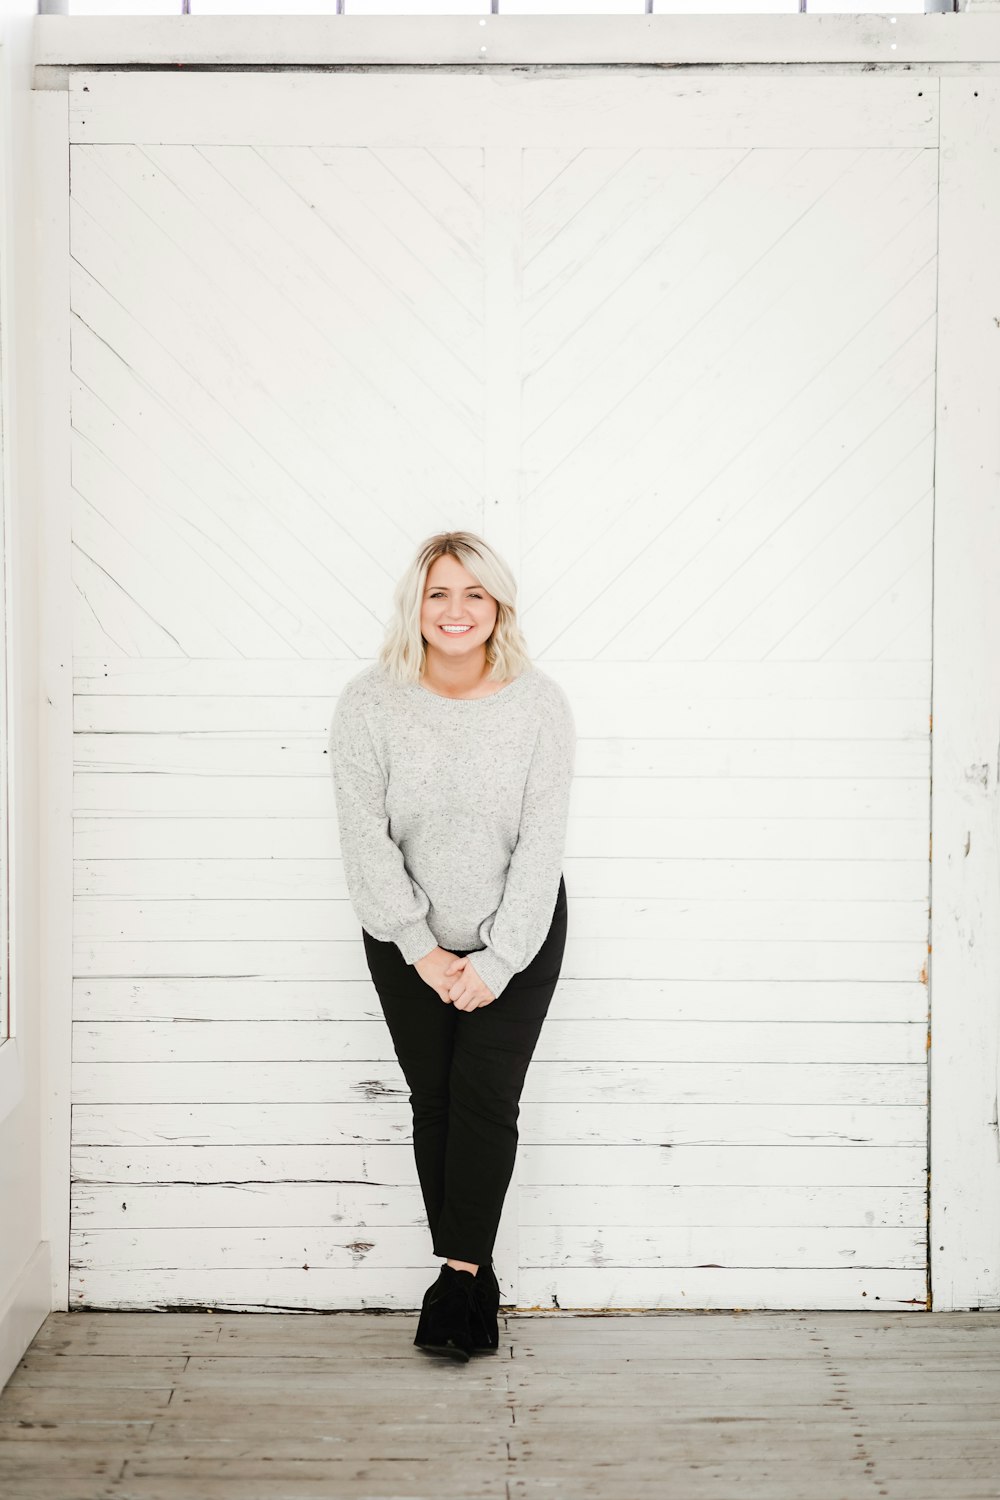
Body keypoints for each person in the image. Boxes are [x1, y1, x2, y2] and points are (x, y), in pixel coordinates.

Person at [327, 530, 575, 1362]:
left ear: (498, 604)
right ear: (416, 605)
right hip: (405, 937)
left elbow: (544, 842)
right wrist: (420, 948)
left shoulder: (539, 704)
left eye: (474, 593)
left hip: (522, 932)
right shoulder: (369, 702)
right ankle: (477, 1284)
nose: (456, 610)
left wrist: (501, 959)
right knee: (434, 1102)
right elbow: (364, 837)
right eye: (439, 593)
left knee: (483, 1101)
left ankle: (456, 1279)